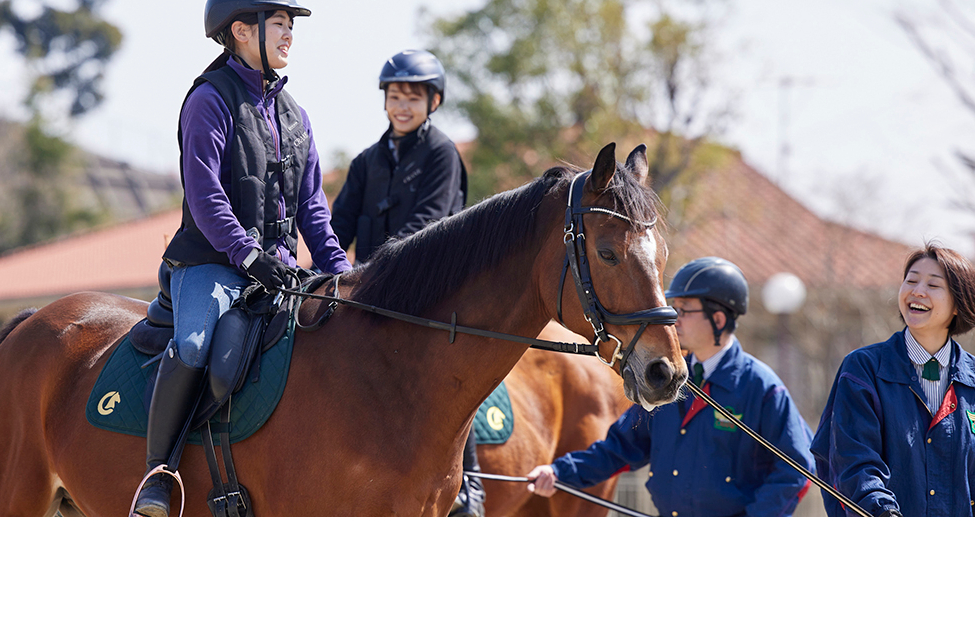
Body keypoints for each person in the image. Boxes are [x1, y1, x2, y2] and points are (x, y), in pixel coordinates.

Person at [132, 0, 353, 517]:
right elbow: (204, 193)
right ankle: (157, 477)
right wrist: (246, 253)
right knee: (194, 343)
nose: (288, 36)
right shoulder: (209, 100)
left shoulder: (295, 116)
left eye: (289, 26)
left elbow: (312, 208)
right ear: (242, 31)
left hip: (278, 272)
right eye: (279, 23)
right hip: (212, 264)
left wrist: (342, 273)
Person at [526, 256, 815, 517]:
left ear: (718, 319)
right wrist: (559, 472)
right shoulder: (668, 379)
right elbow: (619, 448)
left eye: (684, 310)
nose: (673, 320)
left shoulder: (761, 387)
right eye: (672, 308)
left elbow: (797, 470)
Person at [329, 50, 483, 516]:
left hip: (433, 293)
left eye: (412, 97)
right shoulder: (364, 162)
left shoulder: (442, 154)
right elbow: (337, 227)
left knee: (454, 373)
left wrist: (373, 272)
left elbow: (429, 223)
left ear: (433, 102)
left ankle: (469, 487)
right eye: (395, 96)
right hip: (366, 292)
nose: (402, 106)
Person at [811, 243, 975, 517]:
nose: (917, 291)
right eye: (911, 281)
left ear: (959, 303)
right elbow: (852, 460)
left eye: (933, 285)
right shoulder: (863, 368)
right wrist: (882, 513)